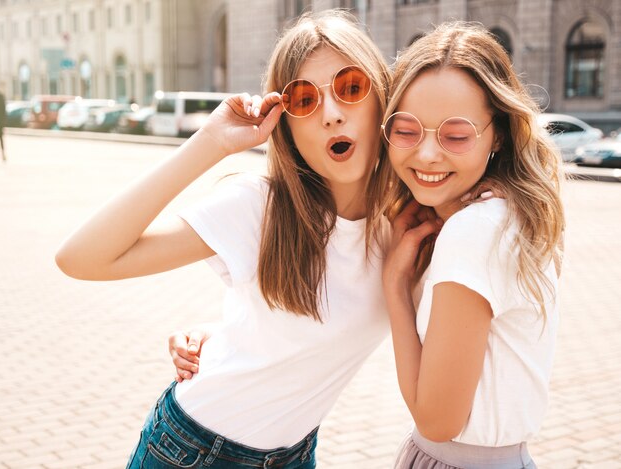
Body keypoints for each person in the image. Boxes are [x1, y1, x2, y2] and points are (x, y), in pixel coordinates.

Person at [56, 10, 393, 469]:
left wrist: (216, 334)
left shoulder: (403, 222)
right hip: (193, 452)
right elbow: (80, 258)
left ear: (382, 98)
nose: (332, 114)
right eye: (304, 100)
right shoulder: (260, 208)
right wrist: (210, 142)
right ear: (286, 125)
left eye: (350, 88)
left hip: (294, 455)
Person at [380, 22, 565, 468]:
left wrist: (395, 288)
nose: (426, 155)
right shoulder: (500, 215)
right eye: (406, 130)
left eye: (456, 135)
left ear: (498, 134)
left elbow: (437, 421)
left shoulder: (475, 231)